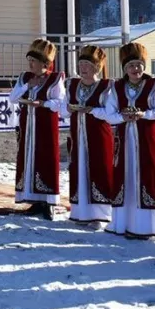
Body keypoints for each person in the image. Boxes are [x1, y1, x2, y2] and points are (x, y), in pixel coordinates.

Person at [101, 42, 155, 238]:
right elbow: (109, 114)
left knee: (149, 175)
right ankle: (125, 223)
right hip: (124, 140)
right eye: (131, 65)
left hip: (147, 138)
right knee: (126, 175)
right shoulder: (117, 87)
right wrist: (123, 117)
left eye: (139, 64)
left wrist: (143, 115)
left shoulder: (153, 85)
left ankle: (149, 226)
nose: (135, 69)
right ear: (125, 68)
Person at [9, 38, 65, 220]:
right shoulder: (24, 77)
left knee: (46, 158)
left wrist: (43, 103)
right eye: (30, 61)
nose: (31, 64)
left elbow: (61, 103)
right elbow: (13, 98)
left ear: (44, 63)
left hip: (46, 124)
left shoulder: (55, 79)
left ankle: (48, 201)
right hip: (28, 124)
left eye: (34, 61)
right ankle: (34, 199)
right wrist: (27, 86)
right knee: (29, 158)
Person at [61, 45, 115, 226]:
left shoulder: (106, 86)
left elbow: (110, 112)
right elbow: (63, 109)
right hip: (78, 134)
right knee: (79, 168)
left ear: (96, 67)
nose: (83, 68)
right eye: (81, 64)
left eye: (88, 65)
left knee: (100, 168)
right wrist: (68, 108)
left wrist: (92, 110)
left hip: (99, 135)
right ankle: (81, 212)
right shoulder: (71, 84)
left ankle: (100, 214)